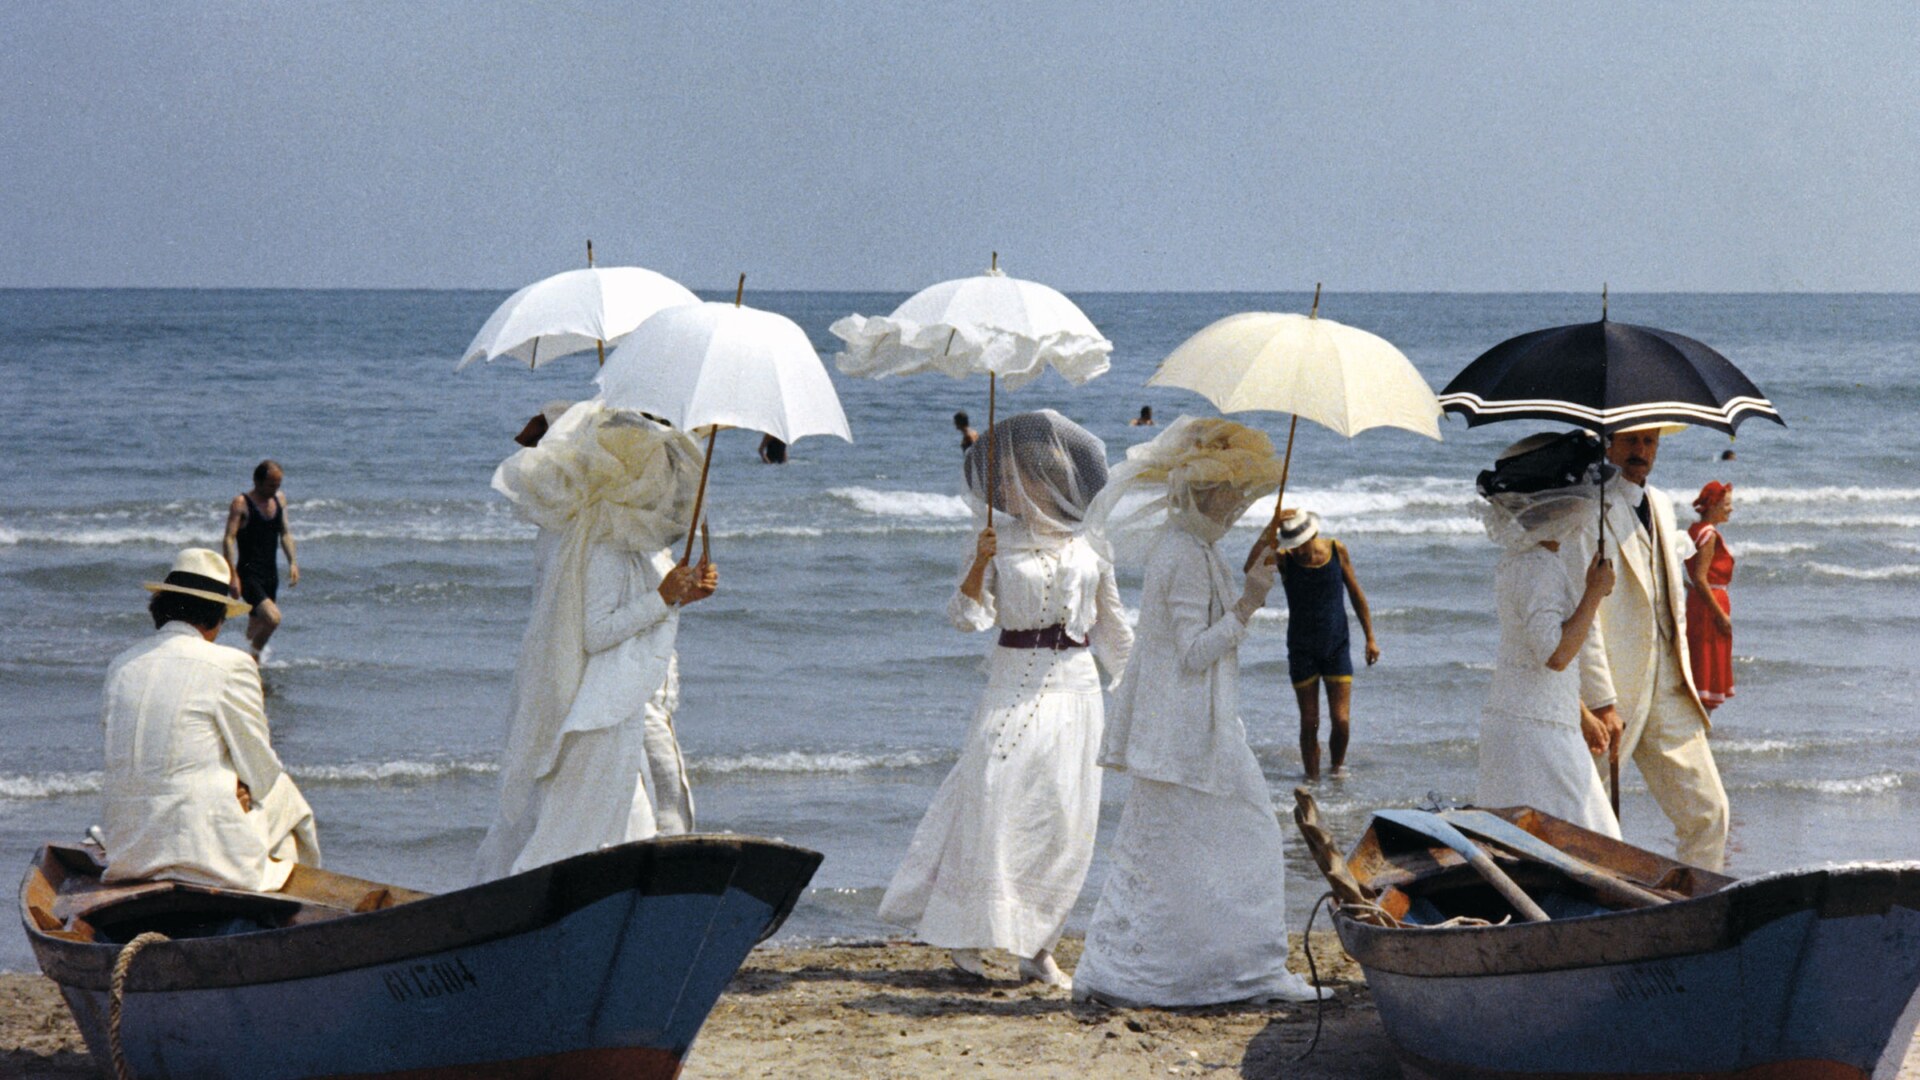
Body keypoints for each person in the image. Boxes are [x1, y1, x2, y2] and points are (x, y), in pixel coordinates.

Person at [1073, 417, 1326, 1006]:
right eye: (1229, 496)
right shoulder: (1185, 555)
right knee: (1248, 837)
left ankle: (1183, 969)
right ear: (1203, 495)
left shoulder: (1192, 547)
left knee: (1176, 852)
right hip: (1186, 729)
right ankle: (1233, 971)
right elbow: (1194, 652)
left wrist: (1247, 584)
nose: (1237, 507)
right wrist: (1251, 603)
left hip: (1191, 726)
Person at [878, 410, 1131, 988]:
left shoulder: (1092, 543)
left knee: (1064, 817)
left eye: (1018, 481)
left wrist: (1139, 693)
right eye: (1002, 482)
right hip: (1012, 679)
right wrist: (979, 565)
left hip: (1076, 687)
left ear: (1050, 482)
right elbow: (966, 618)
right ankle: (967, 932)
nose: (1006, 490)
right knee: (992, 793)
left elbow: (1114, 628)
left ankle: (1038, 948)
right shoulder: (992, 538)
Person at [473, 405, 714, 881]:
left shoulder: (633, 541)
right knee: (609, 825)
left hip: (627, 701)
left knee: (640, 816)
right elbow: (597, 632)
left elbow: (644, 609)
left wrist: (684, 593)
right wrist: (665, 596)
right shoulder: (602, 543)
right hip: (605, 709)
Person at [101, 548, 320, 891]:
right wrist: (242, 786)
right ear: (217, 617)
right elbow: (261, 771)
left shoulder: (121, 666)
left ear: (161, 609)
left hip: (128, 851)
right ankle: (288, 909)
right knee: (287, 800)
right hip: (202, 850)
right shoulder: (230, 665)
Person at [1580, 424, 1731, 870]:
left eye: (1649, 442)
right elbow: (1583, 617)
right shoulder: (1587, 509)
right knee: (1588, 823)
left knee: (1709, 812)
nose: (1639, 451)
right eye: (1629, 440)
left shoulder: (1662, 505)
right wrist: (1600, 699)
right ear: (1608, 445)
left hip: (1669, 685)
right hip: (1616, 693)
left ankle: (1699, 910)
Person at [1472, 434, 1622, 838]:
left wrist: (1583, 713)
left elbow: (1531, 653)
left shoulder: (1522, 560)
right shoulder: (1540, 567)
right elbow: (1554, 654)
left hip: (1529, 719)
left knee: (1528, 843)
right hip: (1537, 736)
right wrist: (1593, 593)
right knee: (1591, 841)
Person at [1264, 511, 1379, 779]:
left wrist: (1370, 638)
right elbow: (1250, 568)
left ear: (1313, 535)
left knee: (1341, 720)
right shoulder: (1284, 559)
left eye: (1302, 542)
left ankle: (1337, 771)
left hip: (1336, 644)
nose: (1299, 550)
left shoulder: (1337, 551)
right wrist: (1269, 529)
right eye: (1293, 544)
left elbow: (1355, 594)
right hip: (1301, 648)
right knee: (1309, 721)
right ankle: (1312, 780)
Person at [224, 459, 299, 662]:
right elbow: (229, 538)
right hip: (249, 574)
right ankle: (252, 657)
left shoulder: (279, 499)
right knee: (273, 618)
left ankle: (244, 666)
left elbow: (285, 533)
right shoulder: (241, 503)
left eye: (278, 485)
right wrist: (232, 575)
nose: (274, 489)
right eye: (271, 485)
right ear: (257, 481)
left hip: (270, 574)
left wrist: (292, 561)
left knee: (256, 625)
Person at [1685, 481, 1737, 713]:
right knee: (1706, 666)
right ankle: (1702, 726)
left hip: (1699, 602)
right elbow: (1700, 577)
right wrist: (1720, 615)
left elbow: (1692, 576)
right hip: (1710, 605)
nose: (1730, 509)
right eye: (1726, 504)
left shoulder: (1694, 530)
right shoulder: (1709, 535)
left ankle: (1699, 723)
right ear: (1713, 504)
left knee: (1698, 662)